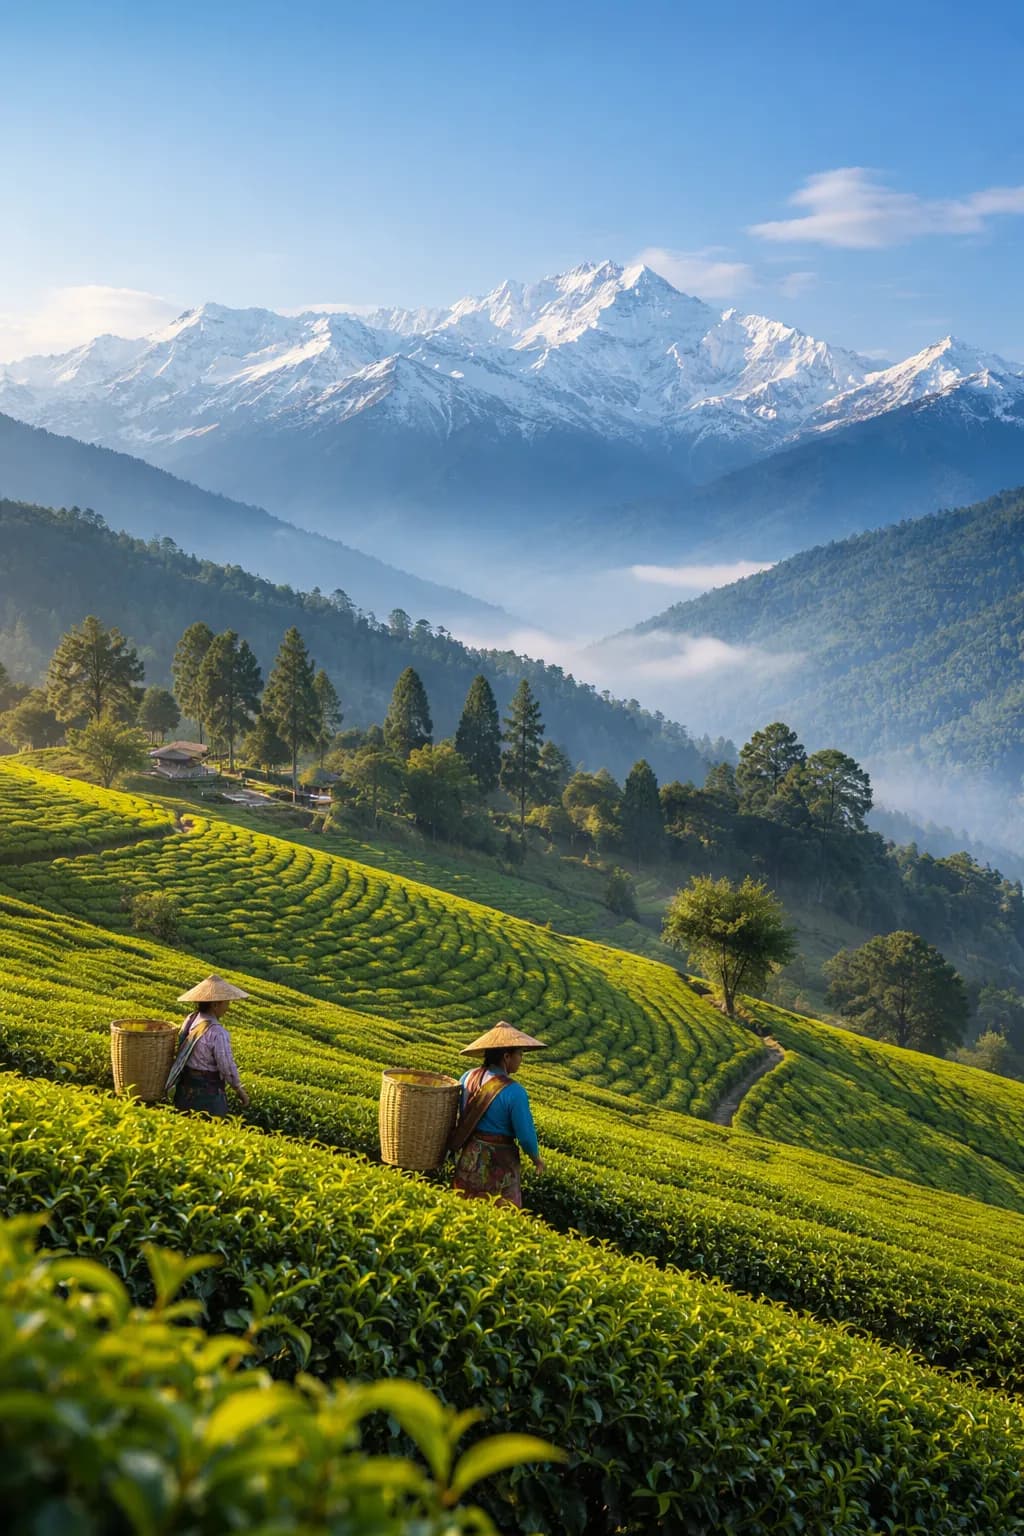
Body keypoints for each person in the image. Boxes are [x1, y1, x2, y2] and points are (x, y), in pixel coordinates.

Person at [450, 1022, 546, 1208]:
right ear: (506, 1056)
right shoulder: (514, 1091)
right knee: (499, 1216)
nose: (521, 1059)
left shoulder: (467, 1077)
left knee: (463, 1208)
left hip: (469, 1156)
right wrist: (537, 1159)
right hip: (498, 1163)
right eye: (520, 1054)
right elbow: (525, 1136)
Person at [168, 974, 251, 1116]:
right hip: (207, 1095)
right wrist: (238, 1089)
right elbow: (226, 1065)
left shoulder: (191, 1018)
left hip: (184, 1090)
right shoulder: (217, 1032)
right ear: (215, 1005)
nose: (228, 1007)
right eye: (226, 1003)